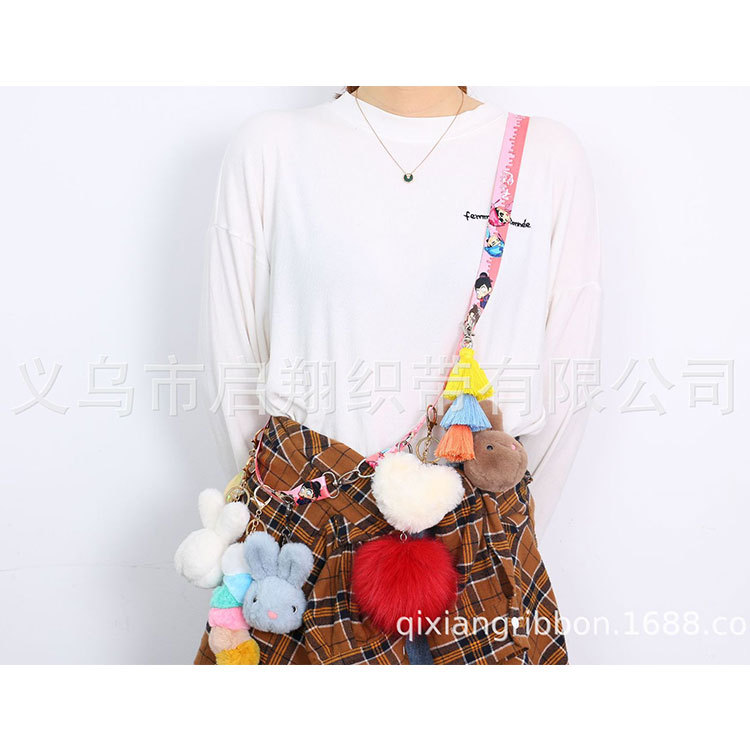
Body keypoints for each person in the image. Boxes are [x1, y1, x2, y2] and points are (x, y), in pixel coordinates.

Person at [195, 86, 601, 665]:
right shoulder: (271, 147)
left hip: (480, 554)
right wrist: (293, 513)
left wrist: (494, 534)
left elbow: (566, 386)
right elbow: (230, 373)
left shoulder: (546, 155)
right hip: (301, 559)